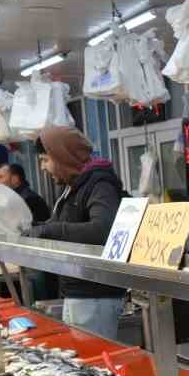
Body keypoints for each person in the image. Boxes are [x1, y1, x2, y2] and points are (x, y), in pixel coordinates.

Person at [29, 126, 126, 340]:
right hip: (78, 292)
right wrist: (32, 227)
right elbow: (62, 225)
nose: (43, 167)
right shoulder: (73, 187)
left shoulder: (100, 184)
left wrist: (48, 230)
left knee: (93, 368)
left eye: (45, 160)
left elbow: (103, 230)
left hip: (95, 296)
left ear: (63, 157)